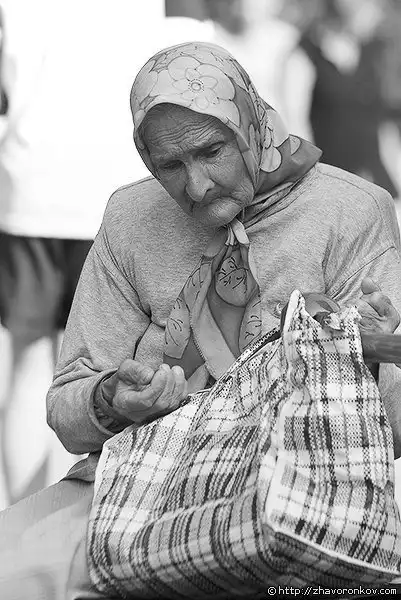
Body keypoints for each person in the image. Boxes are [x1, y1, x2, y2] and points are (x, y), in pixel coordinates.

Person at [0, 41, 401, 597]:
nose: (196, 185)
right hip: (139, 492)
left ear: (248, 128)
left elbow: (387, 434)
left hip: (293, 499)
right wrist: (112, 399)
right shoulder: (130, 219)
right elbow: (67, 412)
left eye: (211, 151)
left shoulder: (350, 211)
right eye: (169, 165)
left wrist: (375, 361)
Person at [0, 0, 214, 508]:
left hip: (31, 191)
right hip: (123, 194)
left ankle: (23, 518)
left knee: (31, 359)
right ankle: (74, 517)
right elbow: (199, 70)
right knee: (112, 372)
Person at [280, 0, 399, 197]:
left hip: (376, 180)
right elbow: (296, 125)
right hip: (333, 183)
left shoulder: (368, 50)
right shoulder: (303, 54)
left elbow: (381, 124)